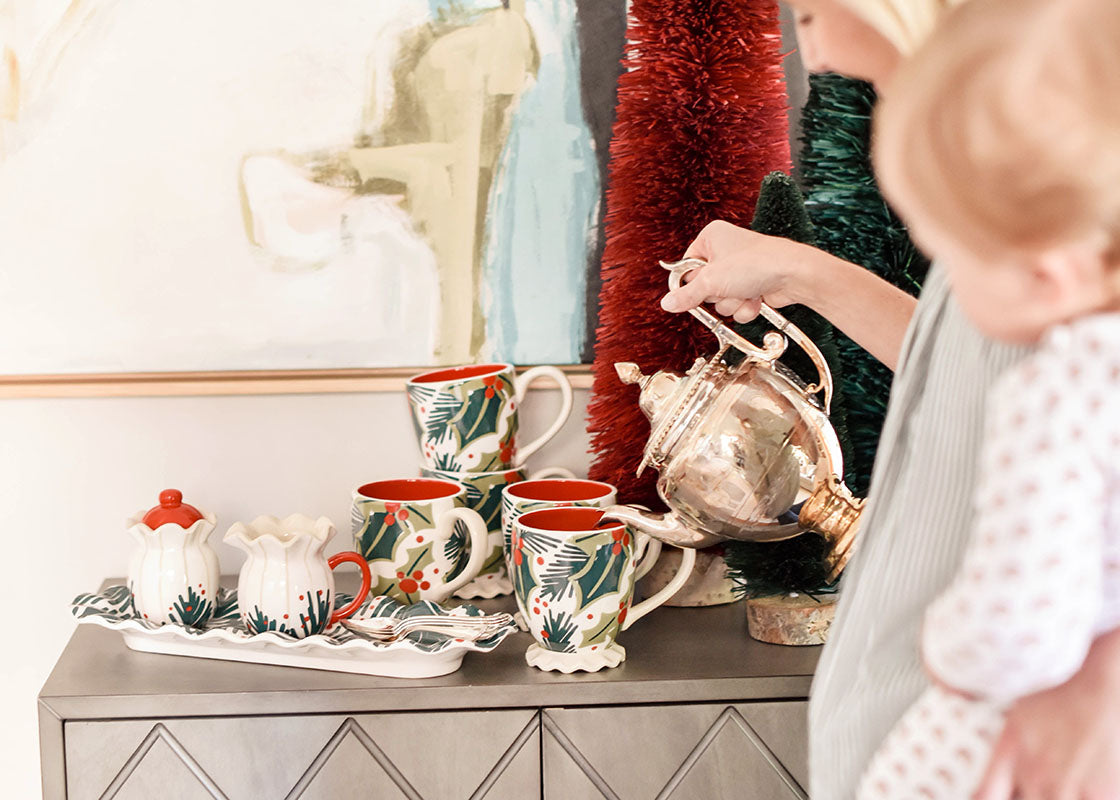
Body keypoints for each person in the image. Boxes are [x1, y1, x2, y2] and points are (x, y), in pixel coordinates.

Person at [658, 1, 1120, 798]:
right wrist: (799, 272)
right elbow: (964, 361)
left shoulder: (1039, 178)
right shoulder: (1019, 198)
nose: (802, 24)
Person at [855, 0, 1120, 796]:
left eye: (956, 263)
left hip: (1007, 742)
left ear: (1047, 273)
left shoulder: (1062, 390)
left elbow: (1022, 628)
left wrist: (946, 644)